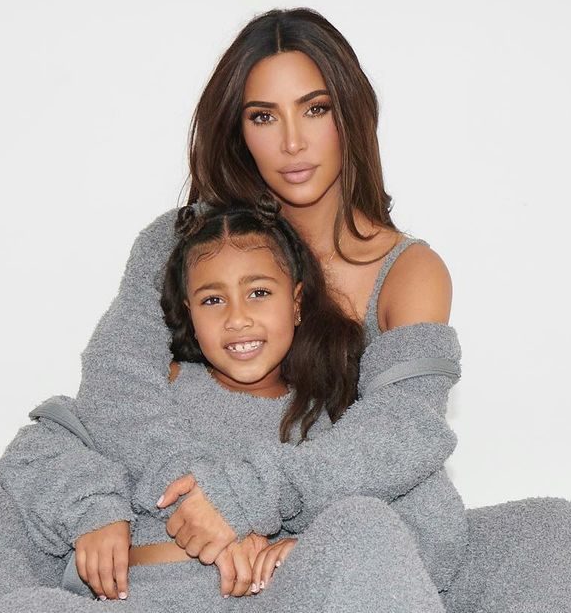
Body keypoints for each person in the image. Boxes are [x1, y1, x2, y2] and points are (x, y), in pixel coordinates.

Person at [0, 7, 571, 613]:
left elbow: (401, 437)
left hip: (312, 537)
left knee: (555, 531)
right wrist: (196, 502)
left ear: (352, 114)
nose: (293, 142)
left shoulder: (409, 272)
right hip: (159, 533)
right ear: (238, 130)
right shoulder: (182, 240)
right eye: (263, 117)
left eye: (315, 109)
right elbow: (117, 383)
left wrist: (249, 497)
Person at [41, 201, 447, 611]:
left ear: (297, 302)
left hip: (255, 604)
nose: (237, 319)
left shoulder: (327, 426)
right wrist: (96, 510)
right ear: (189, 314)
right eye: (213, 300)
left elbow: (417, 509)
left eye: (258, 293)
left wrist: (309, 549)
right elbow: (43, 444)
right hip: (139, 599)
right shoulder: (157, 389)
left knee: (365, 523)